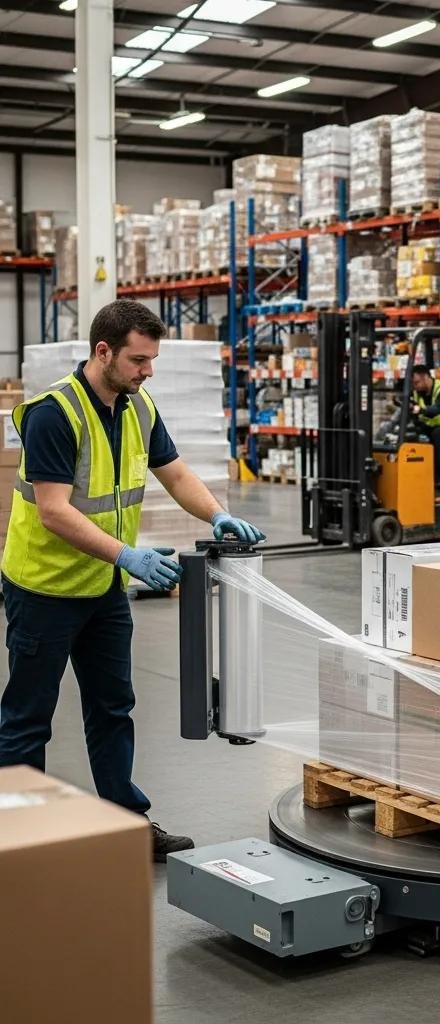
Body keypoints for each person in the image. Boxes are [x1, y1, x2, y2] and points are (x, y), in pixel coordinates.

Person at [0, 299, 265, 862]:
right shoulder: (54, 413)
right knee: (28, 720)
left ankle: (127, 822)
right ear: (104, 352)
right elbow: (53, 510)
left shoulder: (137, 405)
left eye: (152, 361)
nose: (149, 372)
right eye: (139, 360)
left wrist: (216, 514)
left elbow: (175, 473)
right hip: (44, 589)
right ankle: (21, 838)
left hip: (102, 590)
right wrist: (129, 556)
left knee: (113, 708)